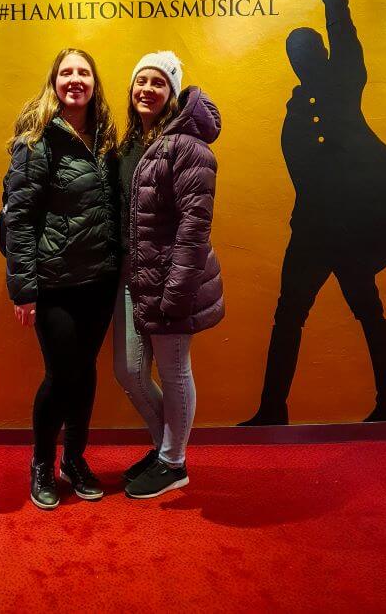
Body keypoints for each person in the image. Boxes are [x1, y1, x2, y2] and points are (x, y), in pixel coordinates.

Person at [240, 0, 386, 427]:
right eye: (294, 54)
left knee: (368, 312)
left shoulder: (344, 78)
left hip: (350, 224)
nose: (302, 58)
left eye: (308, 50)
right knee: (289, 315)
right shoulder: (295, 105)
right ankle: (271, 409)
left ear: (323, 53)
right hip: (311, 227)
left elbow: (340, 19)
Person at [4, 48, 119, 510]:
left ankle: (74, 458)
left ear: (94, 83)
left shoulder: (109, 140)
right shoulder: (36, 141)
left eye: (84, 72)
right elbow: (19, 220)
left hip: (100, 280)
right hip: (54, 283)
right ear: (54, 82)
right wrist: (24, 289)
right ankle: (41, 464)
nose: (75, 80)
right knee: (61, 374)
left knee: (85, 372)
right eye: (67, 72)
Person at [113, 52, 224, 499]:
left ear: (173, 95)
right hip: (131, 279)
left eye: (159, 83)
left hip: (171, 281)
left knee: (175, 370)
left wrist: (177, 291)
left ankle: (173, 462)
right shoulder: (128, 145)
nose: (147, 89)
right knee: (129, 370)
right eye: (141, 79)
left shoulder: (188, 147)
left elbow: (194, 226)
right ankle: (165, 448)